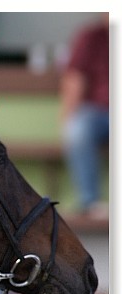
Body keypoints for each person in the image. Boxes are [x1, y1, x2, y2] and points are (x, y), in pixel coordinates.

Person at [59, 14, 109, 217]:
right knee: (76, 129)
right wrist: (67, 119)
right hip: (96, 111)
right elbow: (74, 79)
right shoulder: (90, 37)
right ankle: (91, 203)